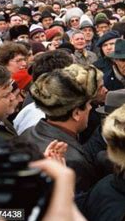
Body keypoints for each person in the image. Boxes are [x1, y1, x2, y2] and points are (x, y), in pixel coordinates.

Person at [21, 64, 103, 193]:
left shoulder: (28, 133)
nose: (90, 108)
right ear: (76, 113)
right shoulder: (72, 160)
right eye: (87, 104)